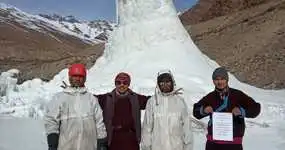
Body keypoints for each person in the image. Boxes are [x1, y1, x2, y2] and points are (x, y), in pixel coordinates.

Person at [193, 67, 261, 150]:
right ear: (213, 81)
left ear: (227, 80)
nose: (219, 82)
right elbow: (195, 111)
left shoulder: (238, 95)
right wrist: (204, 110)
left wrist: (242, 111)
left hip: (234, 145)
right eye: (216, 79)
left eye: (222, 79)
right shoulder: (210, 97)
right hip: (213, 145)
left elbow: (256, 108)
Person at [44, 63, 107, 150]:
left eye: (80, 76)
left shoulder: (91, 99)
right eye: (75, 76)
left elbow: (99, 122)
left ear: (84, 78)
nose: (77, 79)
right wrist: (52, 143)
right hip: (66, 146)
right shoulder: (60, 98)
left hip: (89, 146)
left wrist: (102, 142)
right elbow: (51, 121)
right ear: (70, 77)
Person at [95, 72, 151, 150]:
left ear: (128, 84)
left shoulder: (136, 98)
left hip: (131, 140)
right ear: (115, 84)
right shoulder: (107, 98)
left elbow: (151, 101)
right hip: (113, 140)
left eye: (125, 83)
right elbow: (90, 99)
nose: (122, 85)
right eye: (118, 82)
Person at [141, 70, 193, 150]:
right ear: (158, 85)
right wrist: (146, 147)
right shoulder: (152, 102)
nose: (165, 85)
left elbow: (187, 127)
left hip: (177, 147)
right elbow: (147, 128)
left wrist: (188, 147)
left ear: (172, 83)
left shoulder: (179, 101)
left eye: (168, 82)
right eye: (162, 83)